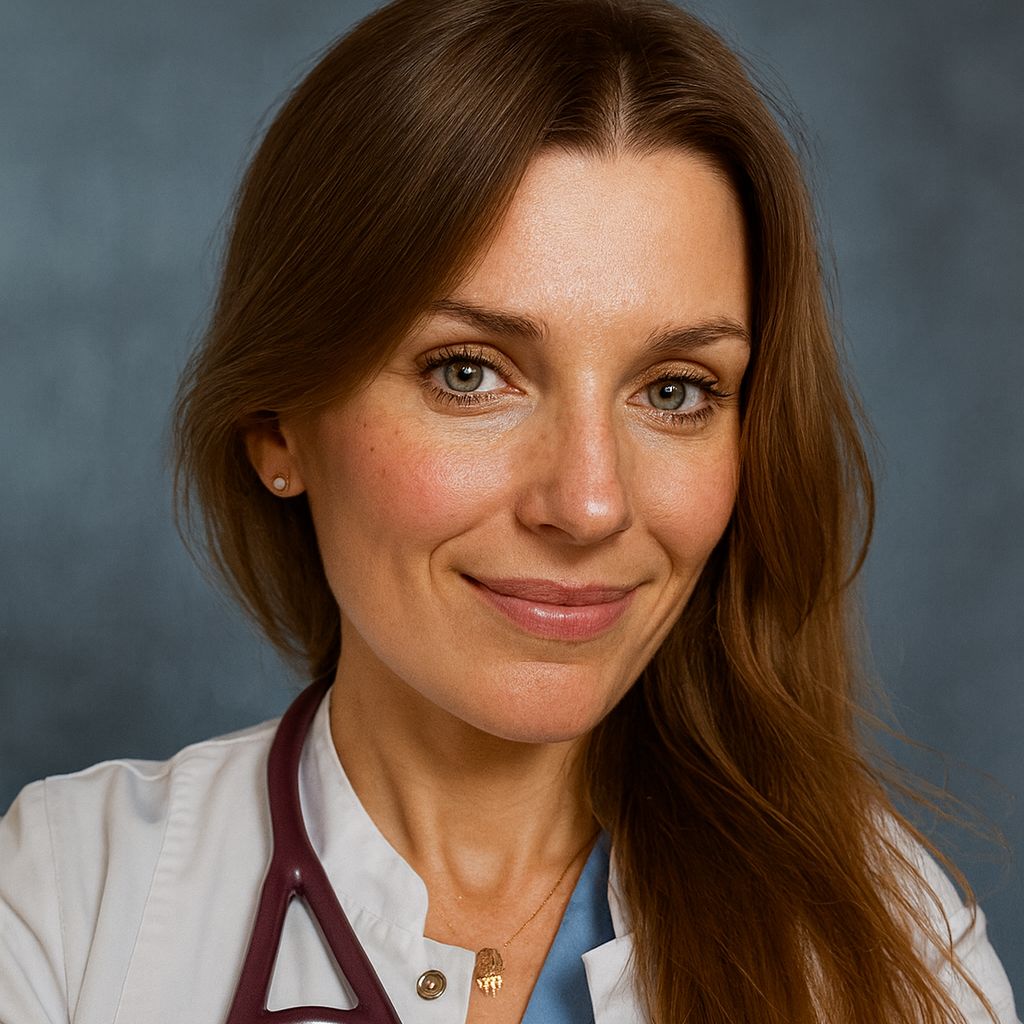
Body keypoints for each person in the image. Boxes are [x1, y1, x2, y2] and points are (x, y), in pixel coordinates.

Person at [0, 0, 1017, 1021]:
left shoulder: (898, 947)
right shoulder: (61, 901)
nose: (589, 503)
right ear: (278, 429)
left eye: (674, 390)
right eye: (469, 372)